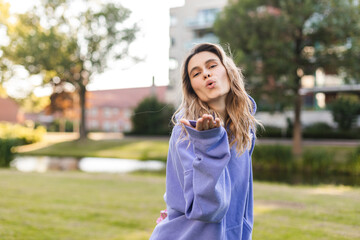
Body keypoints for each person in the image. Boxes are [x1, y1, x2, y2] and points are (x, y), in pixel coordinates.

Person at [150, 43, 261, 240]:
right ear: (192, 88)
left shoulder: (244, 128)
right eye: (196, 73)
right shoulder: (185, 133)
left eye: (212, 66)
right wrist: (208, 145)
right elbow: (207, 209)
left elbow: (242, 199)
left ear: (228, 71)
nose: (206, 74)